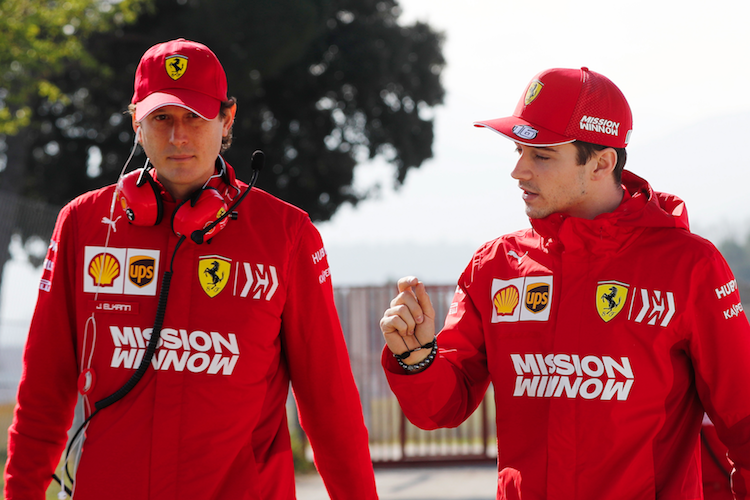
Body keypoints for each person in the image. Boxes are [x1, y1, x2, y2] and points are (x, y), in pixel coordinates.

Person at [4, 38, 379, 500]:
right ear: (137, 122)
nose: (178, 136)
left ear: (227, 120)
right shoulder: (84, 225)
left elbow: (330, 406)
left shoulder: (287, 234)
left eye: (194, 117)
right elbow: (42, 395)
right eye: (161, 118)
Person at [379, 67, 750, 499]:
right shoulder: (495, 265)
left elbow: (743, 421)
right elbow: (442, 407)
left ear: (601, 163)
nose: (518, 171)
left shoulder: (690, 267)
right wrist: (418, 357)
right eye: (519, 150)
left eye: (541, 155)